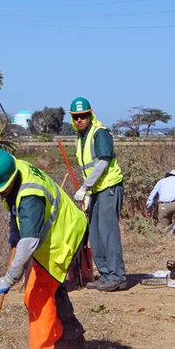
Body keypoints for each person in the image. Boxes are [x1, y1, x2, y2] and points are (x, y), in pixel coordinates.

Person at [0, 149, 87, 349]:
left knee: (37, 294)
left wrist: (9, 278)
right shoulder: (13, 167)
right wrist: (14, 232)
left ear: (12, 178)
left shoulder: (31, 196)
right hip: (52, 233)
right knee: (47, 291)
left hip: (62, 237)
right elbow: (13, 205)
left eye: (3, 188)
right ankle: (69, 338)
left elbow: (29, 243)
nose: (0, 193)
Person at [69, 96, 127, 292]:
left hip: (109, 187)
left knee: (108, 232)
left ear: (89, 115)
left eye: (83, 116)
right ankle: (105, 274)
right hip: (95, 190)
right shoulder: (80, 137)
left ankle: (117, 275)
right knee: (95, 232)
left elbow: (102, 162)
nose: (79, 120)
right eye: (76, 117)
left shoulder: (99, 132)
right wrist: (88, 192)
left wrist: (85, 187)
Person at [145, 170, 175, 234]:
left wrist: (149, 208)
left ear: (168, 175)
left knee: (161, 229)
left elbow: (152, 197)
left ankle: (170, 227)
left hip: (163, 207)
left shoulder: (160, 182)